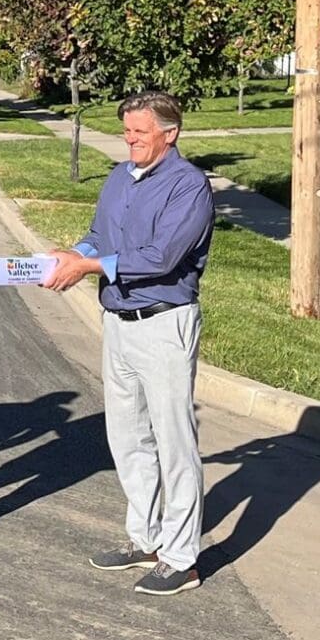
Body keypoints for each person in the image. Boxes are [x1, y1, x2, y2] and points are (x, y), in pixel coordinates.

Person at [43, 90, 215, 596]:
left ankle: (182, 558)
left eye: (140, 131)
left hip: (164, 323)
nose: (130, 139)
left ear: (171, 133)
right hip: (118, 322)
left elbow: (161, 257)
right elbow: (99, 236)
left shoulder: (190, 187)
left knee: (174, 442)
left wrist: (89, 266)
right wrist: (70, 255)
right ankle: (144, 538)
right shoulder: (120, 178)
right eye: (127, 131)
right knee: (127, 437)